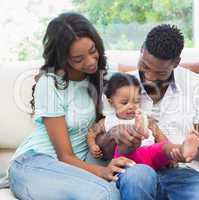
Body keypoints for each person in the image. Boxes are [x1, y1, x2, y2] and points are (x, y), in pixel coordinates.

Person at [7, 12, 153, 200]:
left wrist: (197, 70)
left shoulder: (106, 75)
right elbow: (65, 155)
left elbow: (148, 71)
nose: (91, 61)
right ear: (62, 58)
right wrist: (101, 171)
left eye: (93, 50)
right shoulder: (51, 84)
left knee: (123, 189)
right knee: (105, 194)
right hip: (34, 162)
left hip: (76, 169)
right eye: (78, 59)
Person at [97, 24, 199, 200]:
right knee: (137, 178)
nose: (149, 76)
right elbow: (101, 145)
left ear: (176, 63)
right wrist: (113, 135)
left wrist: (185, 151)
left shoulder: (197, 86)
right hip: (136, 167)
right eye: (145, 66)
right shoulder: (119, 85)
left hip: (181, 173)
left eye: (159, 72)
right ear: (141, 49)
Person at [87, 72, 199, 170]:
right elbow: (92, 132)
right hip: (127, 160)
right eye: (124, 103)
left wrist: (169, 152)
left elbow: (160, 137)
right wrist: (92, 145)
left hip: (150, 154)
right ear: (111, 102)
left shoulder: (146, 118)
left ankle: (183, 150)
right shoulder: (108, 120)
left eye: (136, 101)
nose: (131, 106)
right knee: (123, 147)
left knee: (162, 148)